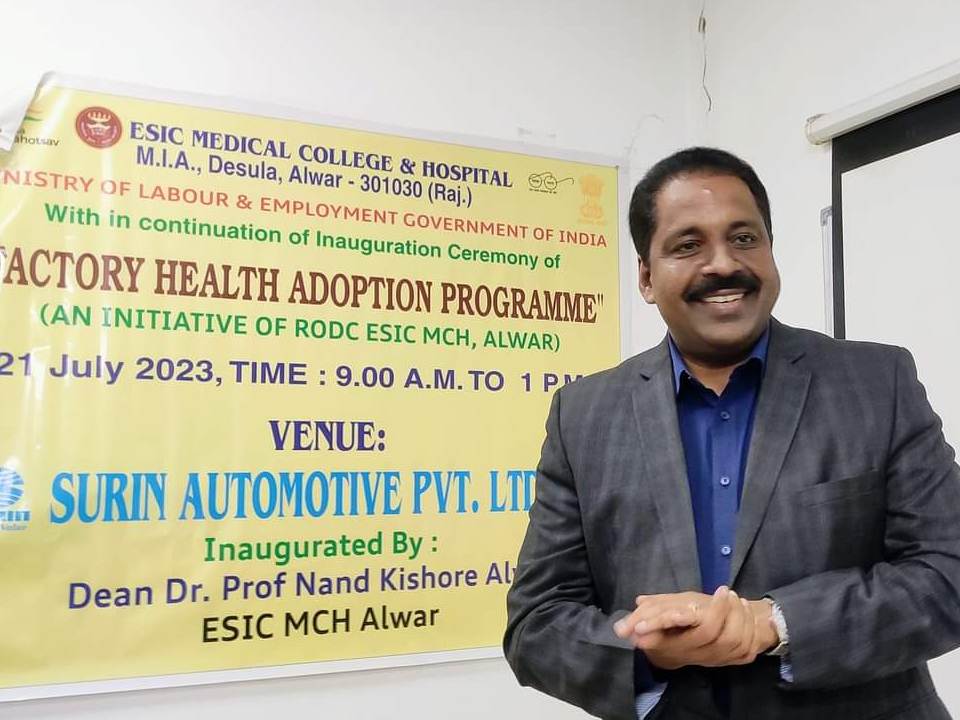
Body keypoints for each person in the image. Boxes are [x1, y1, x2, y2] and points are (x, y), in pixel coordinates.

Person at [503, 147, 960, 720]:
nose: (722, 263)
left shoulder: (876, 383)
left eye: (744, 238)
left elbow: (949, 571)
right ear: (646, 277)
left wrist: (774, 623)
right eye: (687, 245)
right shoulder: (584, 415)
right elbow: (536, 624)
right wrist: (646, 653)